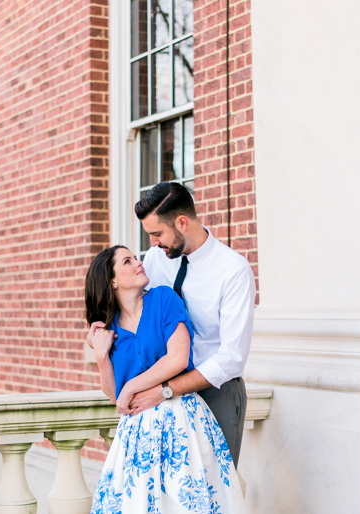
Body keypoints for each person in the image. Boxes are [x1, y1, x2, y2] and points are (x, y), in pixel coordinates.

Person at [88, 182, 256, 467]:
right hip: (160, 402)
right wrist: (99, 335)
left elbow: (231, 358)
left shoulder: (233, 271)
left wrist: (163, 390)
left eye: (157, 233)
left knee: (213, 494)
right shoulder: (157, 258)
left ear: (181, 222)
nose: (152, 244)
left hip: (216, 392)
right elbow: (129, 304)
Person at [85, 245, 246, 513]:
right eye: (128, 261)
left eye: (135, 257)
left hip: (181, 420)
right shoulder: (108, 329)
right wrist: (101, 356)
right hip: (138, 432)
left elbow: (178, 358)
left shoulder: (164, 300)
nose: (139, 262)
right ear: (111, 280)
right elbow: (116, 396)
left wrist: (132, 386)